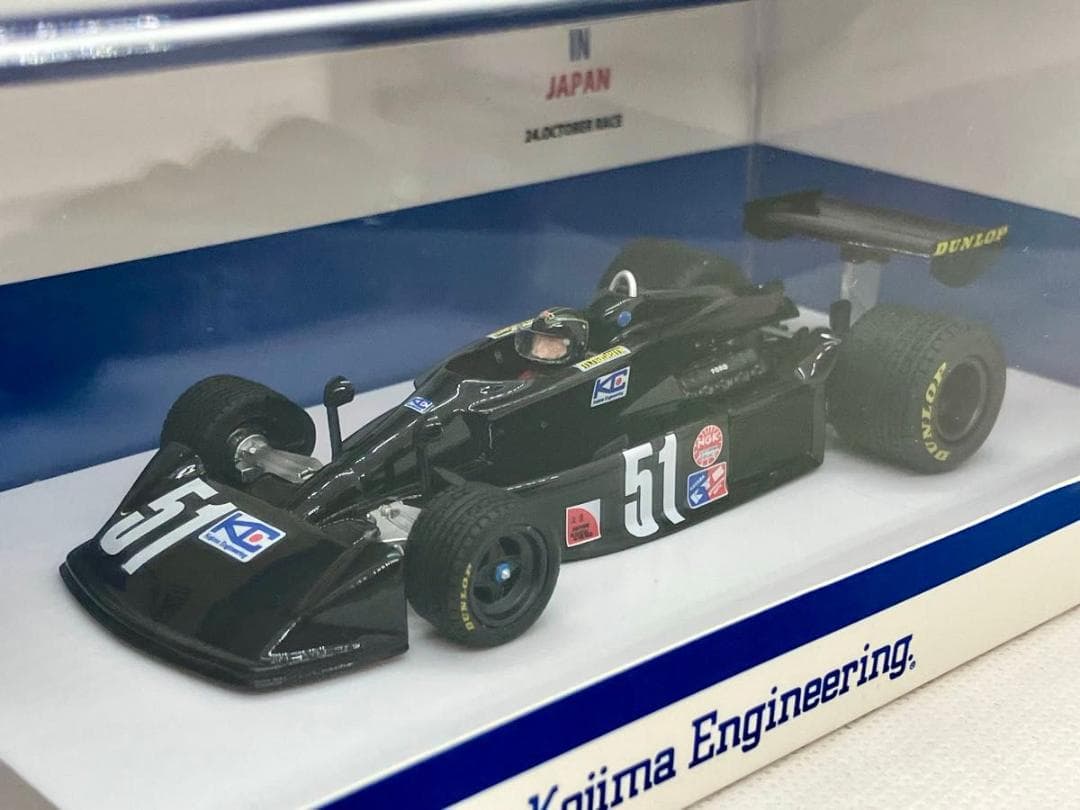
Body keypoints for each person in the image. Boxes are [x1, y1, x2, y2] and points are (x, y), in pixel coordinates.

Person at [514, 307, 590, 366]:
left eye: (549, 342)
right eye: (536, 350)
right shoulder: (531, 376)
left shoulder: (590, 372)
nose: (540, 354)